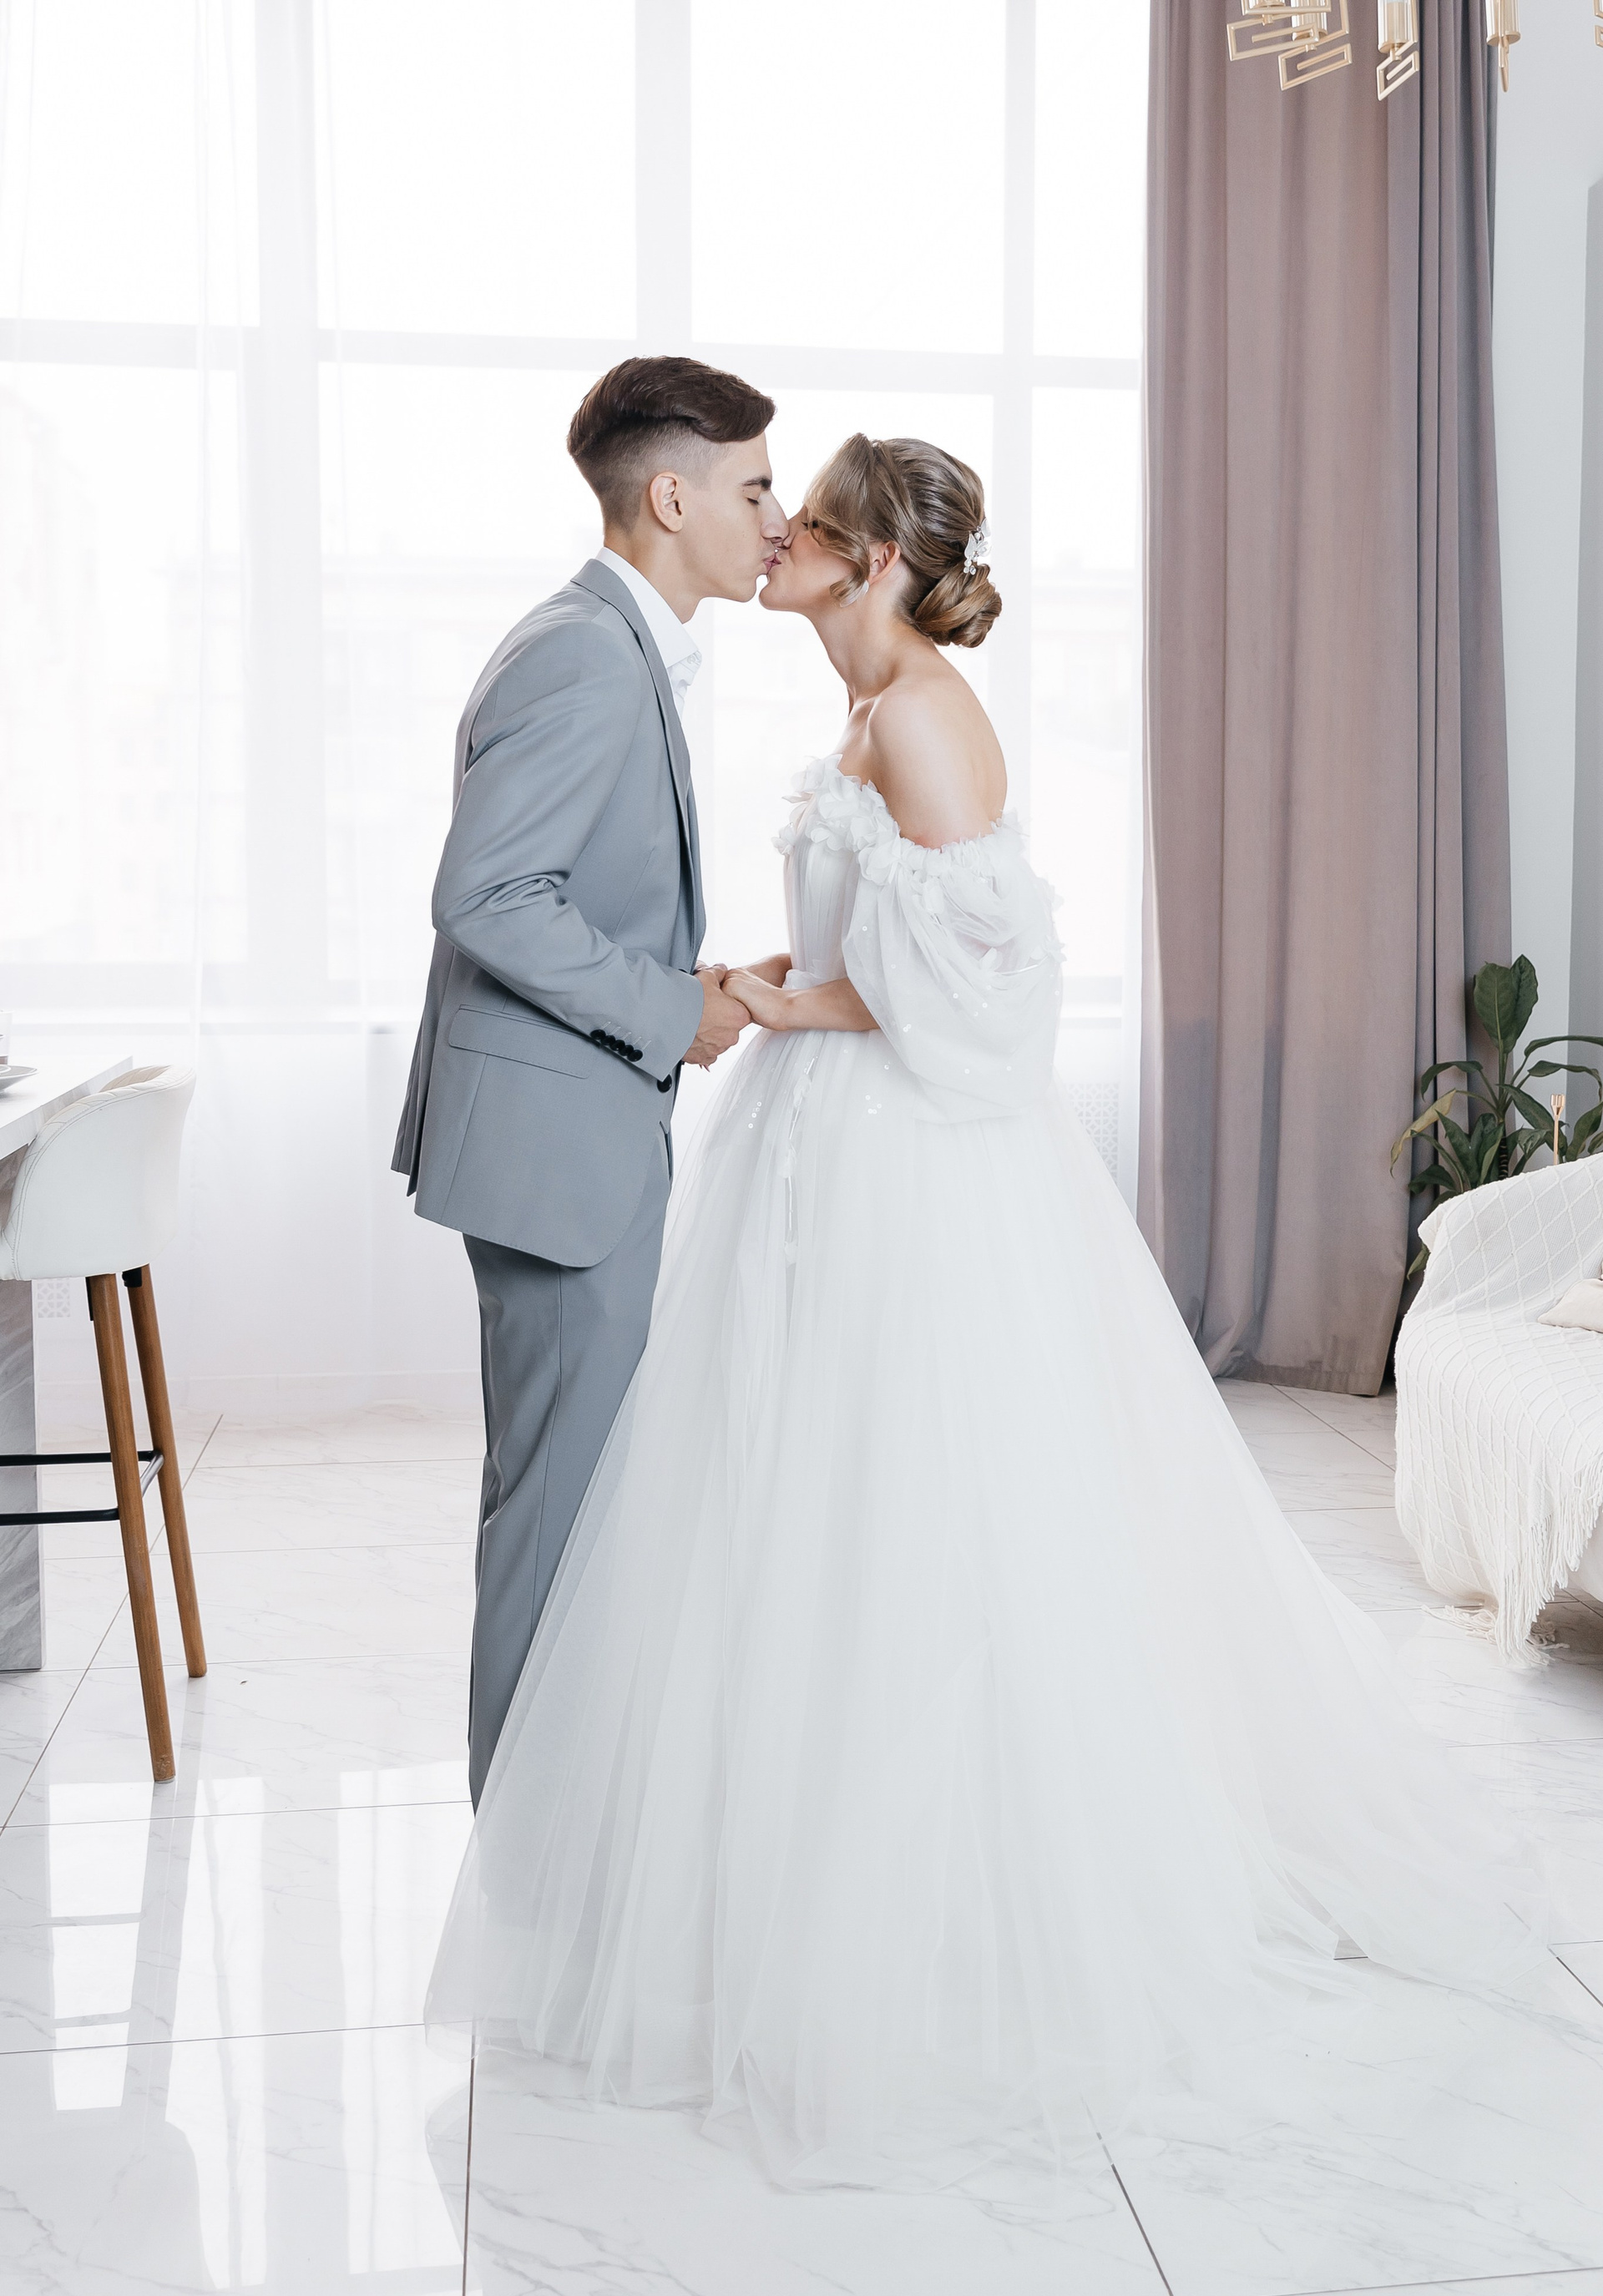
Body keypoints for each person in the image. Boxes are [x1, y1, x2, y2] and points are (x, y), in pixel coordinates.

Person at [427, 434, 1543, 2187]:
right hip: (814, 1152)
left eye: (810, 521)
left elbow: (986, 1009)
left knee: (924, 1520)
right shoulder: (867, 712)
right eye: (769, 506)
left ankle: (943, 1907)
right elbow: (878, 954)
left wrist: (785, 1011)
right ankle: (753, 1878)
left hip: (913, 1173)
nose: (779, 536)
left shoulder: (933, 721)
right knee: (791, 1519)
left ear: (876, 565)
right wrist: (778, 995)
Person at [392, 357, 788, 1805]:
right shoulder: (585, 654)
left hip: (566, 1135)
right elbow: (489, 896)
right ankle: (529, 1867)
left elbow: (568, 895)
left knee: (566, 1505)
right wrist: (669, 1012)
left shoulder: (599, 640)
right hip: (559, 1157)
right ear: (671, 498)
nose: (780, 521)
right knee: (556, 1518)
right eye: (757, 489)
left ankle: (552, 1844)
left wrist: (695, 982)